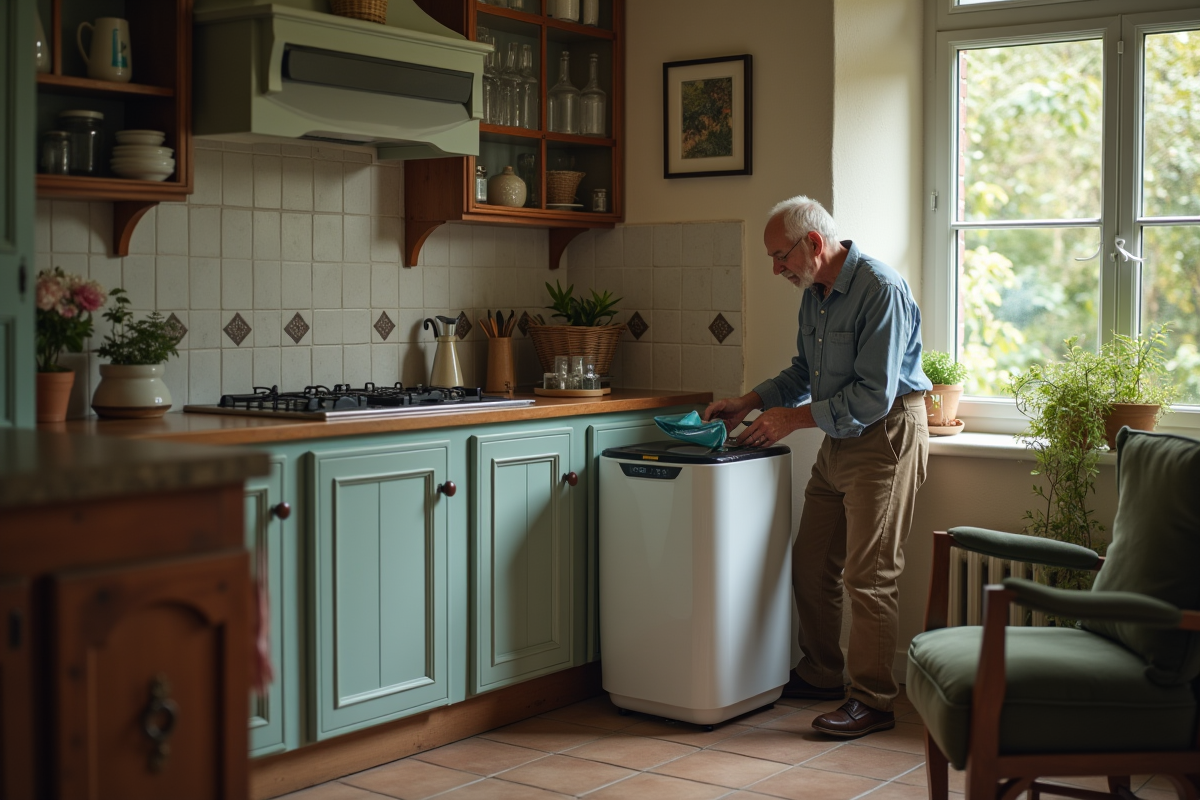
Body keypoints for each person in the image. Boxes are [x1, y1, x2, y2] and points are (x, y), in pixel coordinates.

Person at [703, 195, 931, 738]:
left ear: (813, 243)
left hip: (885, 435)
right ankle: (823, 672)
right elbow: (802, 373)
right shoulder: (815, 295)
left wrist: (791, 421)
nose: (776, 269)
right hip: (838, 438)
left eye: (780, 256)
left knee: (869, 575)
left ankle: (873, 699)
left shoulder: (880, 289)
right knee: (811, 563)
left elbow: (873, 396)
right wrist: (749, 401)